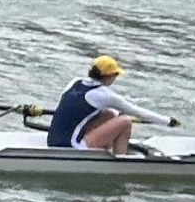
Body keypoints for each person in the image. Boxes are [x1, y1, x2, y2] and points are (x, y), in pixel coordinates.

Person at [46, 55, 178, 155]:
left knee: (109, 114)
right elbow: (136, 111)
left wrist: (115, 114)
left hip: (52, 141)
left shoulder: (75, 82)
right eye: (115, 75)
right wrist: (167, 121)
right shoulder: (104, 95)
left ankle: (105, 149)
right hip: (73, 146)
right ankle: (120, 160)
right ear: (109, 76)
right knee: (125, 121)